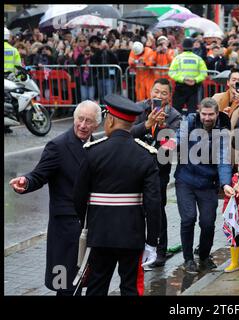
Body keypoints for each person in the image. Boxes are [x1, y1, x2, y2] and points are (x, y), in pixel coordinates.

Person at [9, 101, 102, 295]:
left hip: (92, 225)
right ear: (74, 119)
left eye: (89, 121)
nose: (83, 125)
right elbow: (39, 175)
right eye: (80, 119)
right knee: (65, 284)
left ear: (96, 125)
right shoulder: (58, 146)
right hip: (66, 228)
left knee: (91, 280)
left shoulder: (98, 147)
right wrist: (25, 181)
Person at [73, 94, 161, 296]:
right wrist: (152, 241)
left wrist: (83, 225)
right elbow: (153, 203)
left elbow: (78, 196)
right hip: (132, 233)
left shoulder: (92, 152)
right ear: (131, 124)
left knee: (96, 285)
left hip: (100, 233)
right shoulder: (146, 154)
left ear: (110, 120)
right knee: (130, 286)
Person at [174, 98, 232, 274]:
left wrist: (226, 183)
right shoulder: (190, 121)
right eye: (204, 114)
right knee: (188, 219)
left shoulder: (222, 129)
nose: (207, 118)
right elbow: (179, 137)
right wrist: (170, 145)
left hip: (208, 182)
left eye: (211, 114)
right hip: (186, 179)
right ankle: (188, 259)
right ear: (199, 112)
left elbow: (223, 159)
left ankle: (205, 256)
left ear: (217, 113)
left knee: (207, 223)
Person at [130, 78, 181, 267]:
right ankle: (137, 248)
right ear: (150, 91)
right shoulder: (138, 108)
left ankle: (161, 250)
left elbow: (171, 145)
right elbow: (126, 133)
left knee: (157, 209)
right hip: (134, 168)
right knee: (135, 210)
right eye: (156, 92)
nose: (158, 96)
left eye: (163, 93)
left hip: (158, 170)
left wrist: (161, 127)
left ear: (169, 96)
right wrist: (146, 124)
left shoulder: (175, 116)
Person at [168, 37, 208, 114]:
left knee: (176, 111)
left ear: (183, 47)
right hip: (193, 88)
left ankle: (175, 125)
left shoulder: (178, 58)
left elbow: (171, 72)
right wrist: (195, 80)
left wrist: (183, 79)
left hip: (180, 87)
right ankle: (192, 125)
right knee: (192, 112)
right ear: (192, 47)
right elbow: (204, 73)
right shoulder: (198, 59)